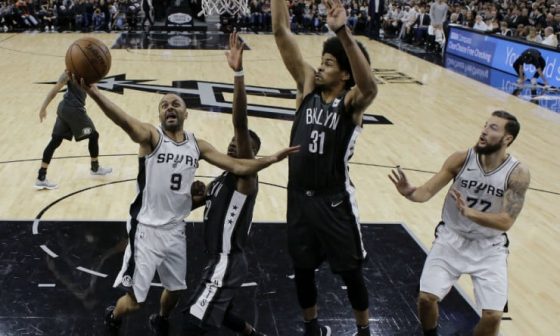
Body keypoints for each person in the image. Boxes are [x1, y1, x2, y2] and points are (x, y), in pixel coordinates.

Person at [75, 74, 298, 335]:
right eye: (164, 104)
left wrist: (271, 158)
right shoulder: (151, 136)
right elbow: (125, 121)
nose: (170, 107)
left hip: (175, 229)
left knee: (177, 289)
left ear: (186, 113)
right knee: (135, 302)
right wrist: (95, 93)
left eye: (176, 104)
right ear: (159, 115)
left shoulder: (197, 145)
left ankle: (161, 319)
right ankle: (113, 316)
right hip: (146, 229)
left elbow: (238, 165)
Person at [272, 0, 378, 335]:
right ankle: (311, 325)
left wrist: (343, 33)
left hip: (333, 200)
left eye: (329, 64)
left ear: (345, 73)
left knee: (350, 272)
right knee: (302, 269)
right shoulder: (307, 88)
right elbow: (281, 32)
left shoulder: (351, 102)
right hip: (299, 199)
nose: (319, 68)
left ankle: (363, 329)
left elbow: (370, 87)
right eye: (321, 62)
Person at [389, 111, 531, 336]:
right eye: (485, 125)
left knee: (493, 316)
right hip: (451, 238)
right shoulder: (461, 159)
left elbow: (506, 221)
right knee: (426, 299)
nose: (484, 131)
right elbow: (426, 192)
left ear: (507, 139)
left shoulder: (518, 173)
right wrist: (409, 192)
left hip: (490, 247)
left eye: (493, 128)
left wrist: (470, 213)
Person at [182, 32, 266, 336]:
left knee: (193, 320)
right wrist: (197, 197)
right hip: (217, 257)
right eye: (231, 143)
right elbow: (206, 204)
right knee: (221, 311)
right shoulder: (223, 178)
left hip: (228, 260)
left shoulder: (246, 177)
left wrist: (238, 74)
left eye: (240, 145)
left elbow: (240, 123)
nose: (233, 145)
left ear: (250, 154)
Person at [35, 71, 112, 190]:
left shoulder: (74, 71)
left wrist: (43, 108)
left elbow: (55, 90)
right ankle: (95, 167)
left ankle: (41, 177)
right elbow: (55, 90)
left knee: (55, 141)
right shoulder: (71, 73)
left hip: (63, 109)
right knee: (93, 135)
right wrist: (43, 107)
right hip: (74, 111)